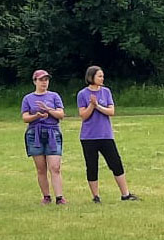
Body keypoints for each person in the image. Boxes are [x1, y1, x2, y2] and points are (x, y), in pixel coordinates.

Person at [77, 66, 139, 203]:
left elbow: (111, 111)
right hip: (89, 137)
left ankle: (125, 194)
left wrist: (97, 105)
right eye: (99, 76)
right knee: (92, 166)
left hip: (106, 135)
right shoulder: (82, 94)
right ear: (91, 77)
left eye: (102, 76)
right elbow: (83, 116)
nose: (102, 78)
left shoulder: (106, 92)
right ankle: (96, 197)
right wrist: (91, 106)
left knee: (116, 163)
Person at [21, 70, 67, 205]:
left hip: (52, 133)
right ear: (35, 81)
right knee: (41, 168)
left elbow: (61, 115)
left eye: (46, 79)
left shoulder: (54, 96)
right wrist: (37, 116)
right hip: (34, 134)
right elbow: (25, 117)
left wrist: (48, 109)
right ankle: (46, 196)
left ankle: (59, 197)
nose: (44, 82)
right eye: (41, 80)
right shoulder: (28, 98)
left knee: (55, 167)